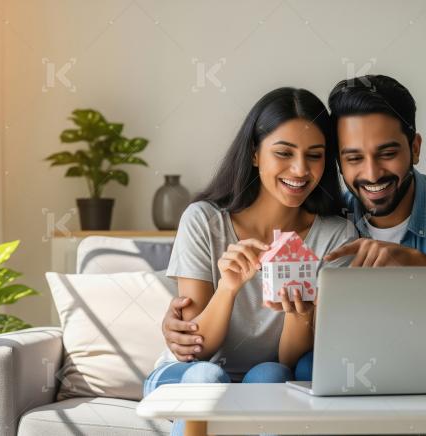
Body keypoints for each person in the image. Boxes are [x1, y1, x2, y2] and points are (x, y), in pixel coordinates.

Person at [162, 75, 426, 385]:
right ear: (338, 163)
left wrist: (419, 265)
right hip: (366, 364)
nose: (372, 174)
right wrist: (185, 317)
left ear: (415, 148)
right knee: (309, 369)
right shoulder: (335, 216)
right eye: (353, 158)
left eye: (388, 153)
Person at [143, 87, 356, 436]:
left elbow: (287, 361)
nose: (300, 169)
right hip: (188, 372)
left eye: (315, 155)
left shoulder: (336, 236)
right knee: (209, 377)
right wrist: (228, 287)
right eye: (284, 153)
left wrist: (300, 314)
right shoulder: (204, 221)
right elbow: (197, 349)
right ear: (255, 154)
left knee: (273, 375)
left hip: (267, 371)